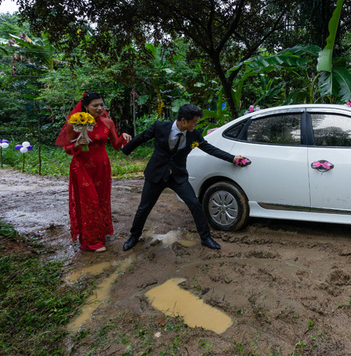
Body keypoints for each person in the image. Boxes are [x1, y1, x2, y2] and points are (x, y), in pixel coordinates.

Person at [121, 104, 245, 251]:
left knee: (195, 204)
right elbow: (142, 137)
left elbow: (210, 149)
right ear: (184, 120)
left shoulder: (194, 134)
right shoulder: (160, 127)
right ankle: (134, 237)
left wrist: (232, 158)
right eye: (194, 121)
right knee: (144, 208)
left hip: (178, 176)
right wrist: (126, 150)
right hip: (156, 175)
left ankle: (206, 238)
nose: (196, 124)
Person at [56, 92, 132, 252]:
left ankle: (100, 233)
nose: (99, 108)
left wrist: (123, 137)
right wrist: (77, 145)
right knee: (89, 203)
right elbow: (67, 149)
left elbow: (116, 145)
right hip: (82, 167)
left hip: (102, 167)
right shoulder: (74, 123)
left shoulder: (108, 122)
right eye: (95, 105)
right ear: (85, 107)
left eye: (101, 105)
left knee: (102, 201)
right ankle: (91, 241)